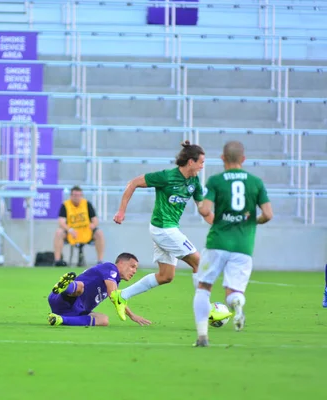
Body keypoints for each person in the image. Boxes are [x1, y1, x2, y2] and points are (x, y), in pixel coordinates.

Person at [111, 141, 214, 316]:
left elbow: (204, 211)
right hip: (164, 230)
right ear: (191, 162)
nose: (203, 166)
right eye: (201, 162)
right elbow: (134, 183)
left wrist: (222, 225)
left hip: (167, 230)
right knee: (199, 262)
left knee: (166, 276)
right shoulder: (166, 176)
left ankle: (122, 295)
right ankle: (205, 309)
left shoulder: (194, 182)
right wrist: (121, 211)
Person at [193, 141, 273, 347]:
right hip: (243, 245)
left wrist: (204, 205)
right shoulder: (256, 182)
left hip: (217, 241)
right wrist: (253, 221)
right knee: (234, 291)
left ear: (222, 158)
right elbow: (268, 214)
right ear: (243, 159)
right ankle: (237, 305)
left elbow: (204, 210)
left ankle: (202, 336)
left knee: (204, 287)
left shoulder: (216, 181)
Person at [47, 253, 151, 327]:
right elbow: (114, 296)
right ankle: (65, 287)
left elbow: (118, 299)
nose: (134, 271)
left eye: (136, 269)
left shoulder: (115, 281)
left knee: (104, 320)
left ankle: (59, 319)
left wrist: (132, 315)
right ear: (120, 263)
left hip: (73, 310)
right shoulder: (110, 268)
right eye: (132, 266)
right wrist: (131, 315)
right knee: (80, 287)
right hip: (64, 300)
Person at [53, 186, 105, 266]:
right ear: (71, 196)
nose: (77, 197)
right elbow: (61, 222)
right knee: (59, 232)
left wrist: (93, 225)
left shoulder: (87, 204)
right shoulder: (65, 205)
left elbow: (95, 220)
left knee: (99, 233)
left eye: (79, 195)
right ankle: (57, 261)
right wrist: (70, 230)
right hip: (71, 233)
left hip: (86, 232)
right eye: (75, 195)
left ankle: (100, 261)